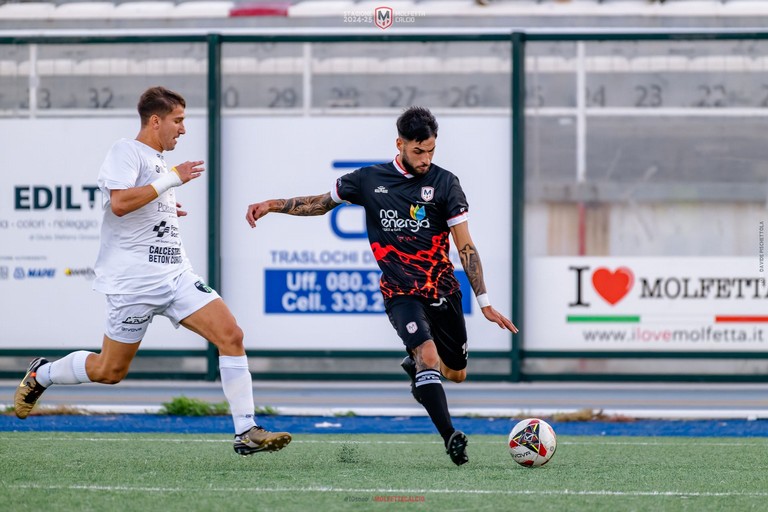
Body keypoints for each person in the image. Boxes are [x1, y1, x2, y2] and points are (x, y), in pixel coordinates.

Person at [14, 86, 291, 456]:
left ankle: (246, 431)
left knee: (232, 335)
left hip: (176, 275)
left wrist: (164, 208)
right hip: (133, 284)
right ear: (155, 120)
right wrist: (172, 179)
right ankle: (42, 374)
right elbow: (119, 203)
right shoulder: (126, 151)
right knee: (109, 372)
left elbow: (140, 202)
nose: (183, 129)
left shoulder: (159, 162)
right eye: (178, 121)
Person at [245, 106, 517, 465]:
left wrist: (484, 302)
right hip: (400, 293)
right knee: (428, 356)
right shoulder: (369, 180)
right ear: (400, 144)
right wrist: (272, 204)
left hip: (443, 290)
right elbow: (320, 204)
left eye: (431, 150)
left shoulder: (446, 183)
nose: (426, 159)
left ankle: (417, 370)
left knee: (457, 373)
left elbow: (465, 244)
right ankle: (451, 436)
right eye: (418, 151)